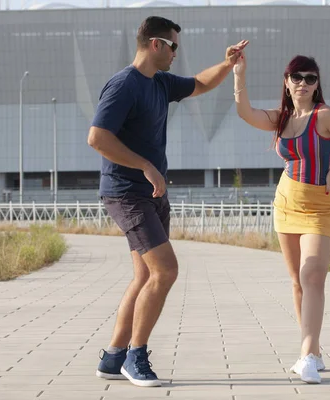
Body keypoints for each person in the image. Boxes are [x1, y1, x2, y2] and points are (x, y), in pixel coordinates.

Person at [87, 16, 248, 387]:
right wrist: (145, 165)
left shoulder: (159, 83)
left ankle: (113, 357)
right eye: (174, 46)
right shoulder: (124, 85)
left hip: (151, 193)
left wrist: (228, 63)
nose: (178, 53)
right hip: (127, 193)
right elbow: (97, 137)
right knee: (166, 271)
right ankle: (135, 356)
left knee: (145, 275)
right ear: (156, 44)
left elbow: (201, 84)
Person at [233, 53, 330, 384]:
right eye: (297, 77)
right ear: (287, 81)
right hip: (286, 203)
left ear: (317, 85)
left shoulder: (324, 116)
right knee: (297, 281)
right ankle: (312, 349)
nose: (303, 83)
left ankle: (308, 357)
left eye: (310, 78)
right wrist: (239, 73)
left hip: (320, 207)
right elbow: (245, 113)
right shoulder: (281, 118)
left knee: (312, 275)